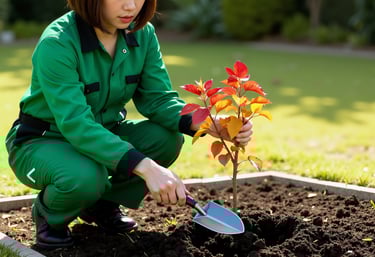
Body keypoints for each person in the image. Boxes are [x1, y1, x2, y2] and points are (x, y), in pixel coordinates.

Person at [5, 0, 253, 249]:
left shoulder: (142, 34)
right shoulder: (58, 42)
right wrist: (146, 167)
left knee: (166, 139)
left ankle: (100, 207)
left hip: (105, 131)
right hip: (43, 141)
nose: (131, 6)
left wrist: (209, 123)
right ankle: (50, 218)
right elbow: (76, 124)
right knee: (87, 176)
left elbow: (157, 98)